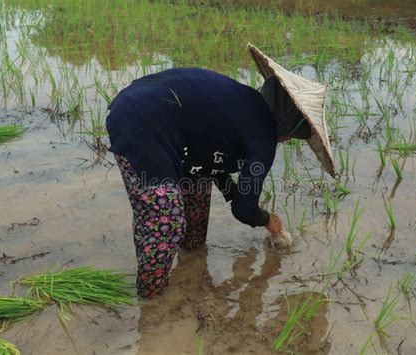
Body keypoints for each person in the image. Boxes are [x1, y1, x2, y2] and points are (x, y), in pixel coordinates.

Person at [106, 44, 335, 298]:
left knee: (197, 187)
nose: (286, 141)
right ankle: (150, 302)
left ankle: (191, 264)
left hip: (143, 109)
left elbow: (212, 162)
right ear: (288, 127)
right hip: (140, 125)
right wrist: (270, 222)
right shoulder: (263, 138)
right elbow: (244, 209)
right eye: (291, 137)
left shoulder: (245, 102)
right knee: (165, 219)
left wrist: (233, 192)